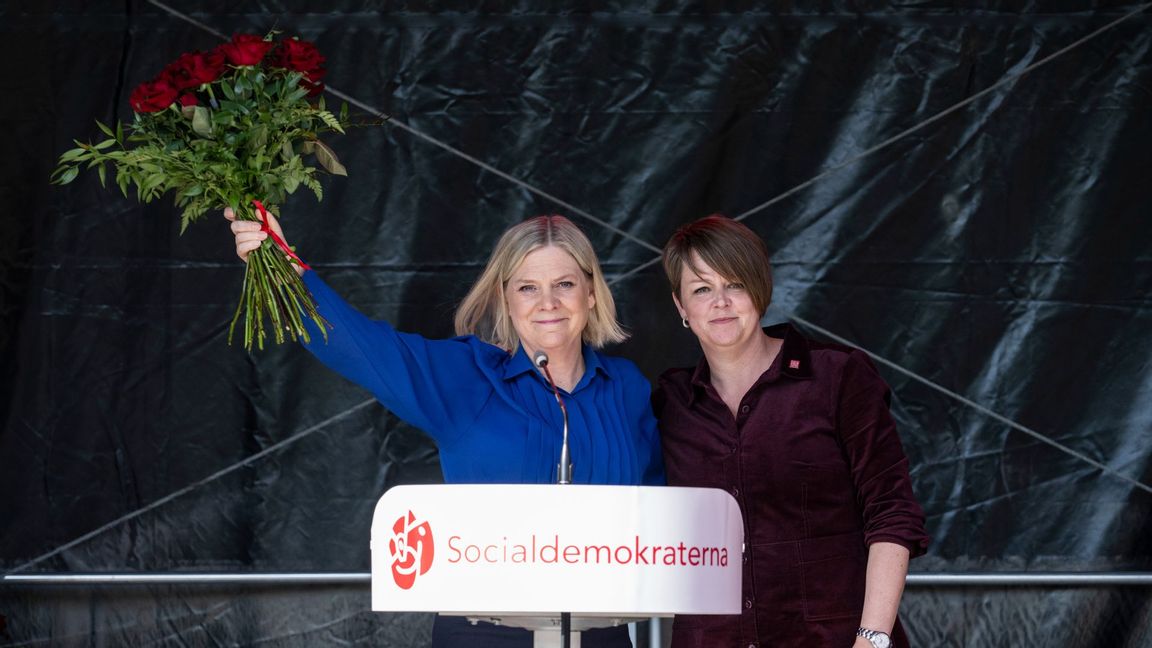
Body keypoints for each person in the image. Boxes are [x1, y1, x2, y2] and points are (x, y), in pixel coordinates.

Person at [227, 209, 665, 648]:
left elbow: (662, 509)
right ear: (506, 299)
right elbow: (362, 349)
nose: (547, 302)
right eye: (527, 287)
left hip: (600, 634)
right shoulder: (469, 379)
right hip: (485, 634)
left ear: (591, 293)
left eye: (564, 284)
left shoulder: (625, 388)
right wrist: (284, 271)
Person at [652, 214, 929, 648]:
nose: (720, 302)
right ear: (681, 307)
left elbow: (892, 512)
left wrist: (872, 638)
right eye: (702, 289)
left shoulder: (837, 377)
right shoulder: (671, 402)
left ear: (760, 289)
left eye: (735, 284)